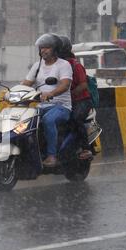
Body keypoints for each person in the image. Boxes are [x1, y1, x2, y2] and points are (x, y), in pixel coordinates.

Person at [22, 33, 73, 168]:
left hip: (61, 106)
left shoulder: (64, 65)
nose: (43, 50)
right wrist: (14, 93)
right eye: (41, 47)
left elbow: (65, 84)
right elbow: (26, 83)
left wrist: (51, 93)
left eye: (47, 47)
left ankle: (52, 156)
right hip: (41, 105)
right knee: (23, 121)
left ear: (55, 49)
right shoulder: (37, 66)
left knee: (48, 120)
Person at [58, 36, 93, 160]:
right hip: (61, 101)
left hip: (81, 101)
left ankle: (86, 149)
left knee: (75, 119)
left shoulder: (75, 65)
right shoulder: (51, 66)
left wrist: (69, 94)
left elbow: (83, 85)